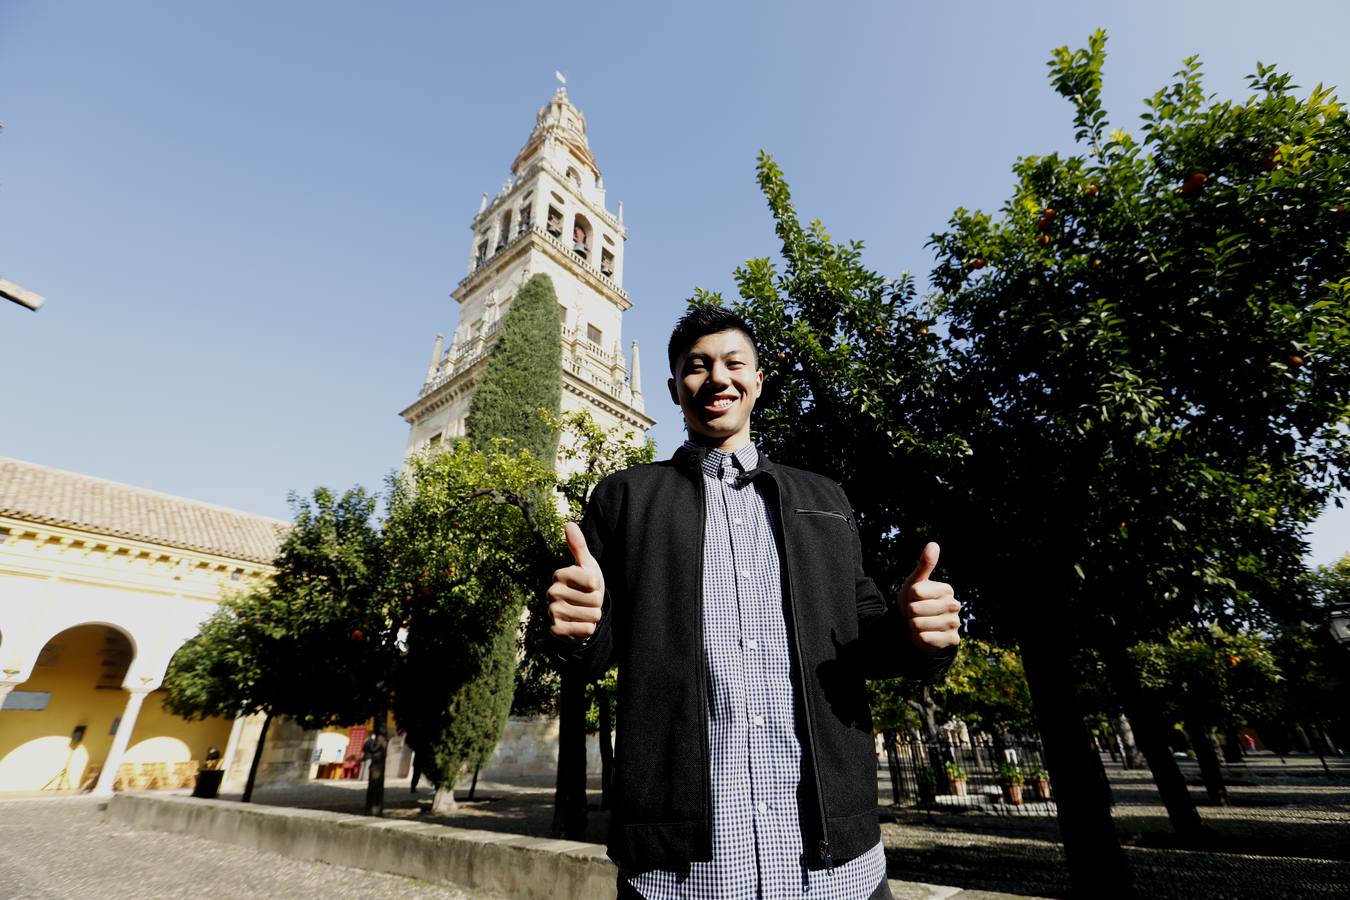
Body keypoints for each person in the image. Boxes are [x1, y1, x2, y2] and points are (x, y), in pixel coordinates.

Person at [548, 306, 961, 898]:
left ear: (758, 381)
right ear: (673, 390)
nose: (717, 378)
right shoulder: (626, 499)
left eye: (733, 363)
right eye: (697, 367)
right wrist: (577, 626)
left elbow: (865, 635)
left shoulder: (823, 498)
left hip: (840, 873)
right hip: (682, 877)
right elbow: (592, 647)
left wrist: (914, 630)